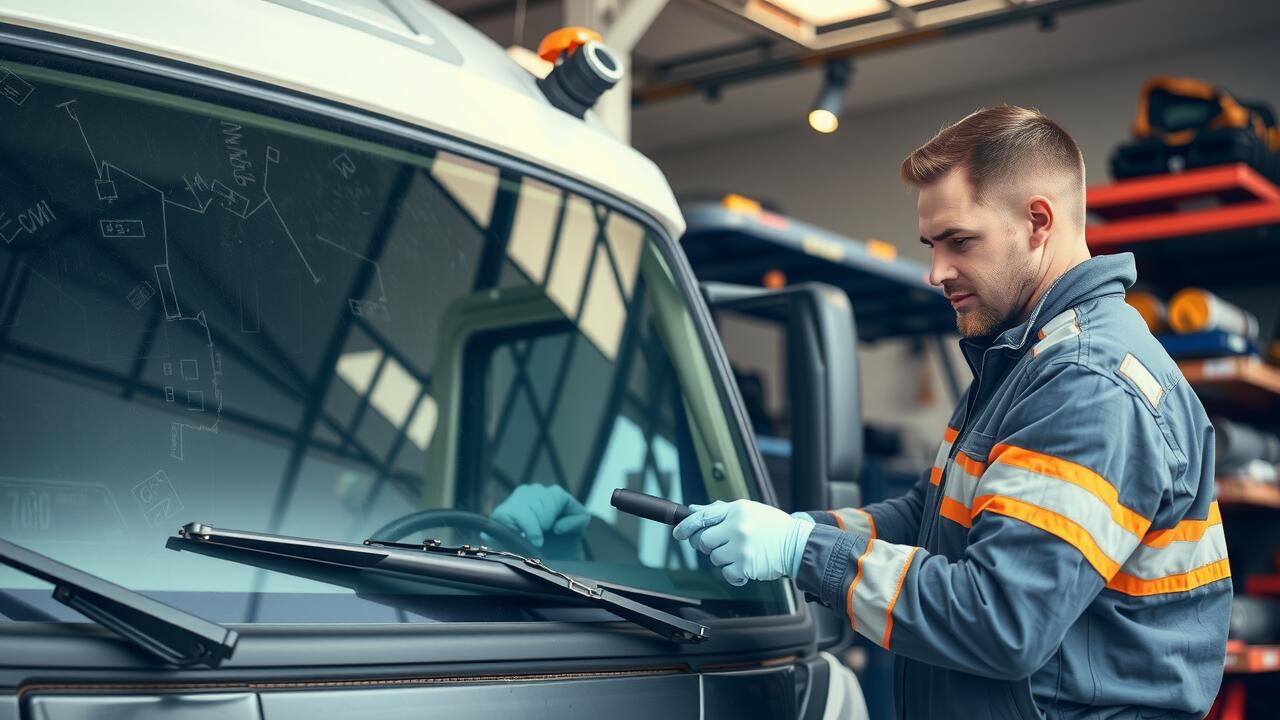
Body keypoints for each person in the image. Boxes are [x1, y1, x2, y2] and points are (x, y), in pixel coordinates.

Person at [491, 106, 1231, 720]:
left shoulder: (1087, 383)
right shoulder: (1022, 362)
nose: (937, 271)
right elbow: (926, 517)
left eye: (958, 242)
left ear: (1038, 221)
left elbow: (1001, 620)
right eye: (930, 244)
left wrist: (798, 553)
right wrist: (753, 530)